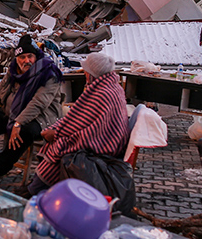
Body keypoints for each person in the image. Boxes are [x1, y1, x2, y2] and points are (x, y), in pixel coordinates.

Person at [0, 35, 63, 183]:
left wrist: (18, 123)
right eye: (22, 57)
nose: (26, 61)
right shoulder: (14, 71)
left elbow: (39, 103)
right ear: (16, 58)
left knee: (23, 133)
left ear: (35, 56)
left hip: (40, 118)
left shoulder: (49, 73)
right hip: (12, 113)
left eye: (30, 56)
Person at [28, 53, 129, 196]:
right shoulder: (111, 86)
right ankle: (37, 187)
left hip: (103, 144)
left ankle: (36, 190)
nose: (85, 74)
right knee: (57, 139)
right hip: (105, 138)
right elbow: (78, 119)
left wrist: (55, 133)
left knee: (60, 145)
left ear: (92, 73)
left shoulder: (101, 93)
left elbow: (84, 126)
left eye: (87, 71)